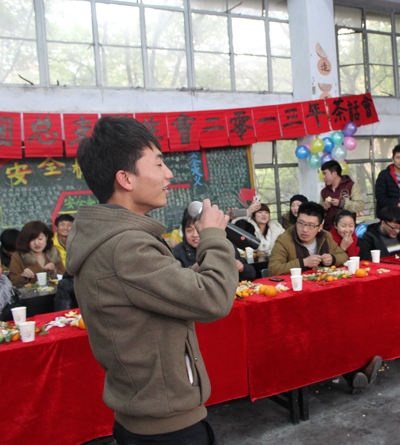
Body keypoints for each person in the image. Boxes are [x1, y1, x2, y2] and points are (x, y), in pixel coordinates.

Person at [66, 116, 238, 445]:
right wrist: (214, 237)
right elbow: (214, 299)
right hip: (167, 431)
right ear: (125, 179)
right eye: (158, 164)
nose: (168, 174)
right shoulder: (126, 246)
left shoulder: (111, 240)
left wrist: (198, 270)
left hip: (147, 419)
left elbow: (153, 292)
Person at [173, 208, 255, 281]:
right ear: (183, 232)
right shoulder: (177, 253)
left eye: (198, 230)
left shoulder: (224, 245)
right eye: (189, 230)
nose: (195, 235)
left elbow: (252, 273)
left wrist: (241, 268)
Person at [268, 201, 347, 276]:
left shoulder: (325, 236)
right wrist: (303, 262)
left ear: (320, 227)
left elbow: (344, 256)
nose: (304, 230)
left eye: (311, 225)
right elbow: (273, 270)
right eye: (301, 223)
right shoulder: (284, 239)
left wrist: (332, 259)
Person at [9, 221, 65, 286]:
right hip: (29, 292)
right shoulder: (18, 256)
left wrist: (53, 273)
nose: (37, 243)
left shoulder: (54, 253)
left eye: (40, 239)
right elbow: (13, 281)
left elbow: (64, 277)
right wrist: (23, 276)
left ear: (46, 237)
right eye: (32, 240)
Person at [319, 160, 365, 231]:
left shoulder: (351, 186)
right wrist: (323, 208)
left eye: (325, 174)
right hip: (328, 231)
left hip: (347, 231)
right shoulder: (324, 191)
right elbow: (319, 215)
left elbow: (360, 205)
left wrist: (341, 203)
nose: (323, 177)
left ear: (334, 174)